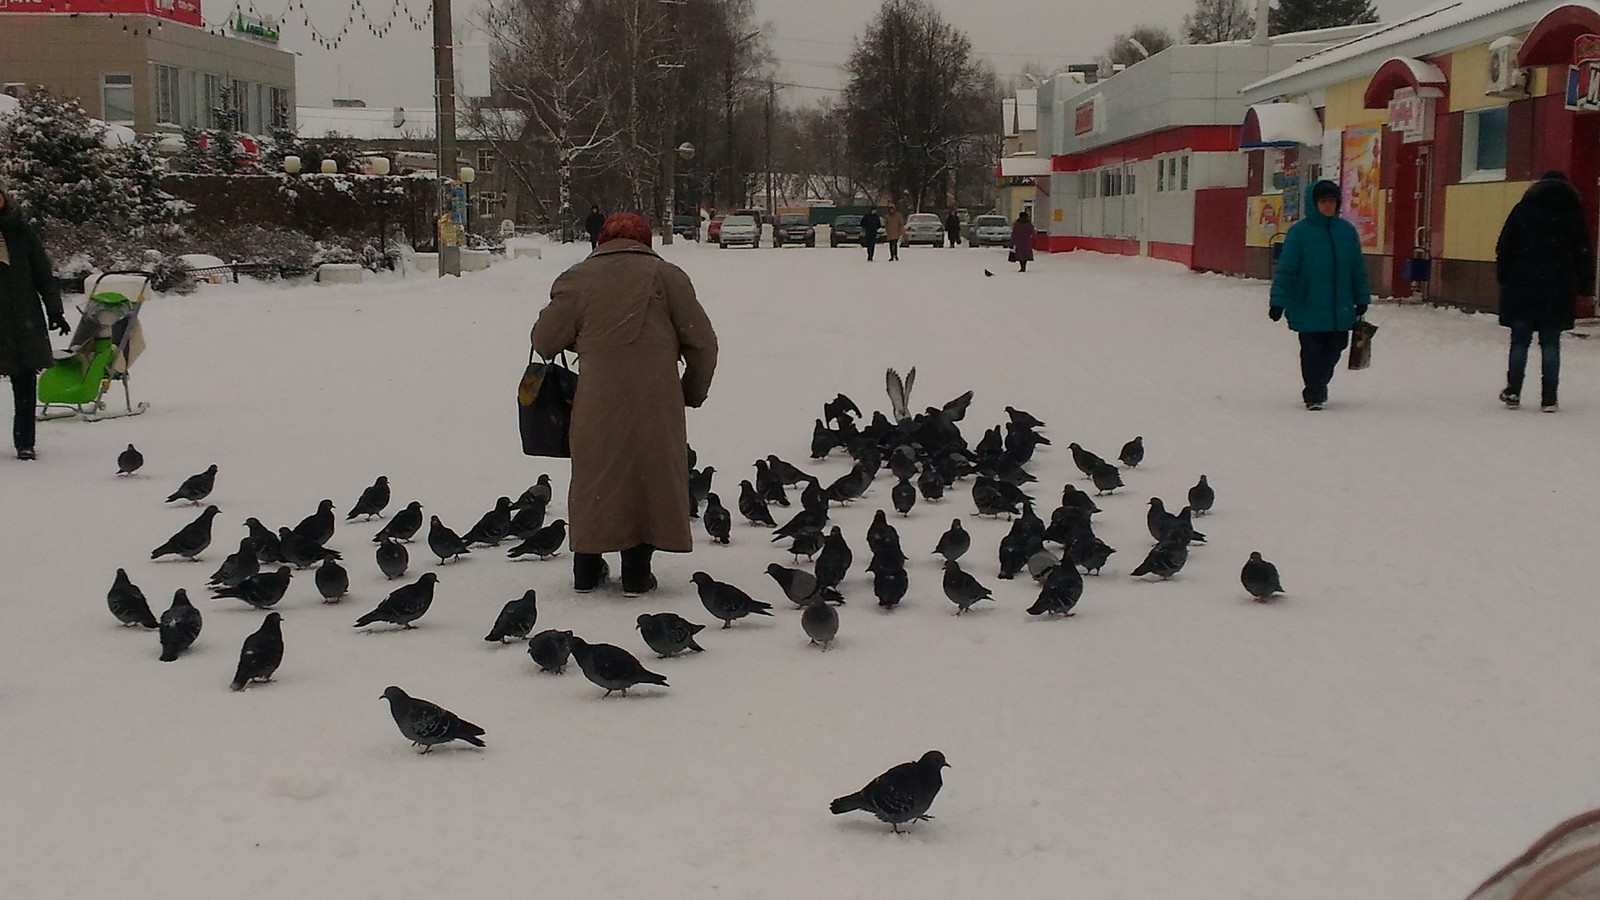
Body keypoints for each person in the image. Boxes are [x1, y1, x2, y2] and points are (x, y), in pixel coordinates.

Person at [531, 212, 718, 596]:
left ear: (601, 240)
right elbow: (703, 344)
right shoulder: (668, 277)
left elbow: (544, 340)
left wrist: (585, 338)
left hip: (596, 399)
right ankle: (636, 570)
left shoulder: (578, 278)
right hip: (657, 399)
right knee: (646, 478)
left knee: (595, 477)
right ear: (644, 240)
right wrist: (691, 392)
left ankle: (586, 567)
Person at [1493, 170, 1595, 412]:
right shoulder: (1572, 215)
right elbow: (1583, 253)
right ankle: (1549, 397)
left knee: (1520, 341)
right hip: (1558, 286)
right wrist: (1584, 286)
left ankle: (1514, 391)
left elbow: (1504, 246)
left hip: (1522, 284)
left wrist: (1504, 277)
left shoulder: (1523, 210)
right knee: (1550, 342)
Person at [1269, 179, 1371, 410]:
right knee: (1313, 351)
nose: (1328, 205)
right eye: (1323, 201)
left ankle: (1320, 382)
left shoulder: (1346, 232)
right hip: (1307, 305)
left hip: (1339, 306)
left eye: (1332, 201)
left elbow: (1357, 269)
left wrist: (1362, 297)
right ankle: (1314, 392)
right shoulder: (1299, 233)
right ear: (1314, 203)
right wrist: (1278, 302)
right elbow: (1286, 270)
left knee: (1336, 347)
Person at [0, 187, 70, 461]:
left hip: (22, 318)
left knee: (25, 383)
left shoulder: (21, 231)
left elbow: (42, 272)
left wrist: (55, 311)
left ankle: (25, 443)